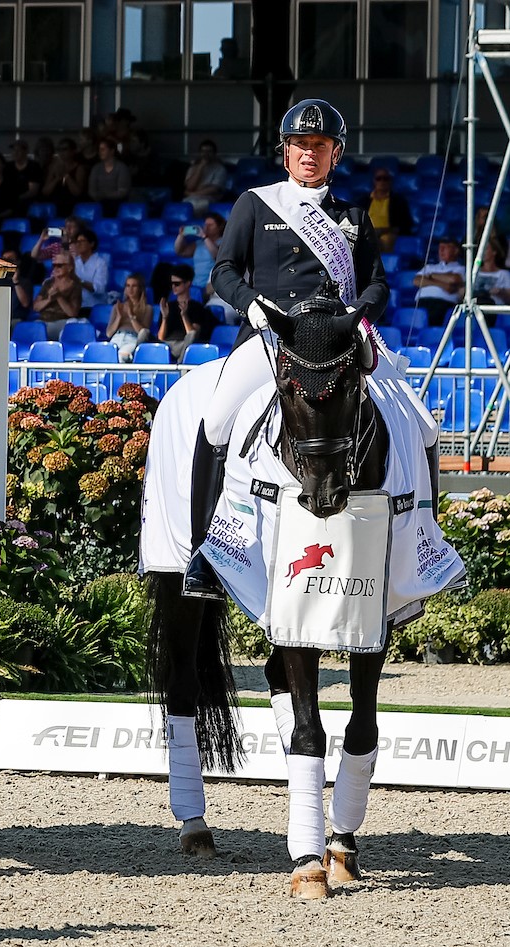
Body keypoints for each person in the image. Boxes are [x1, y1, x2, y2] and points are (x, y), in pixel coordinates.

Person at [198, 98, 388, 594]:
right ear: (285, 153)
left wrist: (356, 317)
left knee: (423, 425)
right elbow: (223, 271)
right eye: (300, 145)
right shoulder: (255, 204)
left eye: (319, 145)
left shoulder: (353, 216)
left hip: (340, 340)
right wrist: (252, 306)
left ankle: (416, 539)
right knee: (217, 421)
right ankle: (206, 551)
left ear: (335, 153)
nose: (309, 153)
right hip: (272, 334)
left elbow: (377, 285)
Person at [153, 267, 217, 359]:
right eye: (172, 284)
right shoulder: (168, 306)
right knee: (144, 334)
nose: (173, 287)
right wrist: (164, 318)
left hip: (182, 344)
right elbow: (160, 337)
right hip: (167, 344)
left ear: (188, 283)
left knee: (191, 335)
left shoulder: (197, 307)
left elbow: (192, 334)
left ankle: (181, 366)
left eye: (177, 284)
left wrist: (184, 315)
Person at [412, 239, 466, 326]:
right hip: (421, 302)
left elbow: (454, 279)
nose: (441, 250)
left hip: (442, 304)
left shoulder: (460, 268)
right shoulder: (430, 267)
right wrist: (443, 284)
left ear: (456, 251)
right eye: (440, 247)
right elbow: (416, 281)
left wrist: (430, 276)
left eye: (445, 247)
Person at [174, 213, 226, 292]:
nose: (206, 227)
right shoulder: (198, 243)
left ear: (220, 227)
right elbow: (180, 252)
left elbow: (217, 255)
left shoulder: (224, 242)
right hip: (196, 285)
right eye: (205, 224)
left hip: (211, 287)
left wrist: (204, 237)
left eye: (210, 225)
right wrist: (181, 236)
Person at [362, 169, 411, 251]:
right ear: (374, 181)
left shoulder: (398, 201)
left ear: (390, 181)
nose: (382, 181)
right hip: (367, 233)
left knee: (383, 240)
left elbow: (404, 225)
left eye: (385, 178)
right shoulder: (363, 201)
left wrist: (381, 231)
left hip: (387, 234)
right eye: (379, 178)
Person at [108, 273, 154, 359]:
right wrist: (119, 317)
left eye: (134, 286)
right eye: (128, 286)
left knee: (122, 356)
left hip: (132, 339)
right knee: (106, 356)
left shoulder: (147, 309)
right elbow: (109, 333)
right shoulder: (118, 307)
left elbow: (143, 333)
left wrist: (131, 316)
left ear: (140, 288)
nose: (130, 289)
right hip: (117, 337)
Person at [32, 254, 84, 323]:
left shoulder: (75, 286)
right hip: (43, 320)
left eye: (59, 266)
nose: (55, 268)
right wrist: (49, 300)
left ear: (69, 268)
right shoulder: (48, 283)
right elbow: (36, 307)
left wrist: (59, 296)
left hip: (62, 322)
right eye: (54, 265)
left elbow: (72, 313)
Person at [181, 139, 229, 213]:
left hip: (209, 199)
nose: (206, 154)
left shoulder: (220, 169)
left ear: (214, 153)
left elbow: (213, 189)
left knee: (197, 206)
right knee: (183, 207)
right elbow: (189, 186)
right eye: (203, 151)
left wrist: (193, 193)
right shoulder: (193, 168)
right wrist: (201, 167)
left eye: (209, 151)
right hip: (191, 198)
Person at [67, 227, 110, 305]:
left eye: (82, 241)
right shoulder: (74, 262)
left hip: (93, 307)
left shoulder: (100, 263)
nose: (78, 244)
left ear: (92, 244)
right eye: (77, 242)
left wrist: (79, 281)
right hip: (75, 307)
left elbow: (99, 289)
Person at [86, 139, 132, 210]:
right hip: (99, 204)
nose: (100, 152)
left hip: (118, 205)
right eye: (99, 149)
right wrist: (99, 196)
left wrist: (104, 195)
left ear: (112, 151)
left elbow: (122, 192)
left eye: (103, 149)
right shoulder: (96, 168)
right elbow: (91, 191)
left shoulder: (121, 167)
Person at [472, 239, 510, 306]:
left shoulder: (504, 274)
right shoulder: (474, 272)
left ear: (494, 252)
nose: (482, 252)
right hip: (475, 308)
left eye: (486, 248)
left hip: (494, 310)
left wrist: (501, 293)